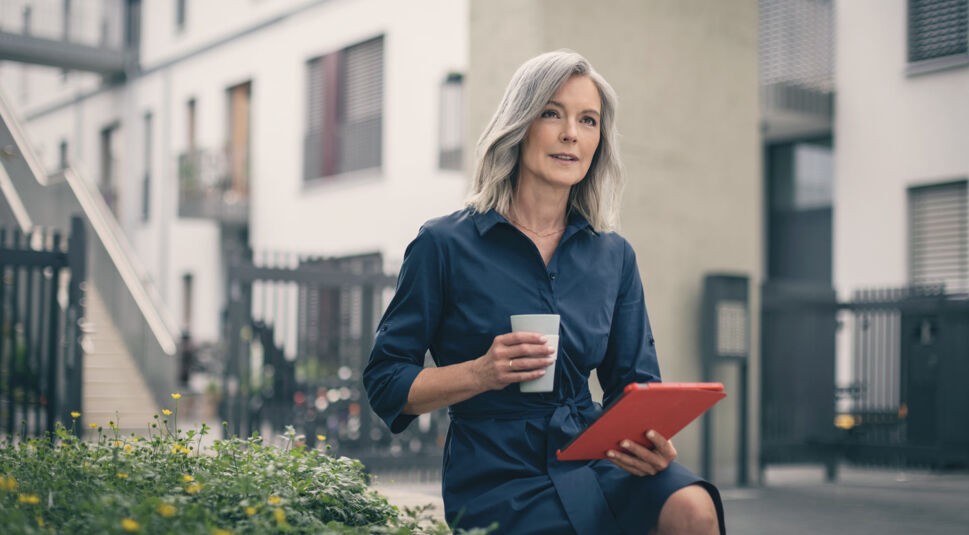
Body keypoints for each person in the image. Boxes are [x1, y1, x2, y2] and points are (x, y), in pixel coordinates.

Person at [364, 50, 725, 534]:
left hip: (594, 456)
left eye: (588, 120)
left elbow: (634, 384)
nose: (571, 133)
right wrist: (480, 372)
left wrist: (649, 436)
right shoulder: (444, 245)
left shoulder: (613, 255)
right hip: (497, 471)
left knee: (693, 508)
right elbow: (386, 380)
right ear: (519, 123)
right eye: (552, 113)